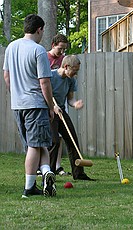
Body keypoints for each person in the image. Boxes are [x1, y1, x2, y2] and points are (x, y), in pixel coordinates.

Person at [3, 14, 56, 198]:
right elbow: (45, 83)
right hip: (35, 104)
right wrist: (50, 106)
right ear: (39, 29)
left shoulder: (11, 47)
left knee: (37, 144)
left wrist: (16, 94)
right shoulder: (38, 50)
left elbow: (7, 77)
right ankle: (29, 188)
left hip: (18, 105)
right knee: (35, 145)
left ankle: (47, 170)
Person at [49, 55, 93, 180]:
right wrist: (52, 107)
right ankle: (50, 174)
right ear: (66, 66)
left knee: (72, 139)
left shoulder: (71, 80)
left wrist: (75, 104)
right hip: (49, 112)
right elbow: (44, 94)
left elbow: (70, 99)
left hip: (61, 110)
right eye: (75, 70)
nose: (76, 73)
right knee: (54, 142)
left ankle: (79, 174)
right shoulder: (51, 77)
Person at [47, 34, 70, 176]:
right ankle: (45, 167)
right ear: (53, 45)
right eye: (60, 49)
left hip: (60, 104)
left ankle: (58, 166)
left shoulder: (63, 60)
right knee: (51, 137)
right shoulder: (44, 58)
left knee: (60, 137)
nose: (62, 52)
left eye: (64, 50)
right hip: (47, 104)